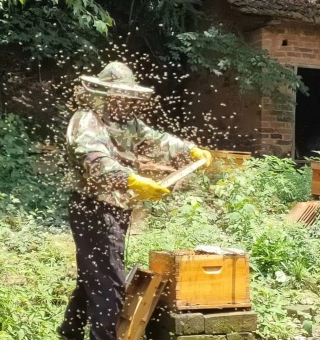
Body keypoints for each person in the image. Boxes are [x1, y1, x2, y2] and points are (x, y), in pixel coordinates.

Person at [58, 62, 212, 340]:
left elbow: (156, 141)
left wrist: (190, 151)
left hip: (115, 209)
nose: (123, 101)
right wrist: (131, 180)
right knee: (110, 285)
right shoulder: (86, 119)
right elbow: (94, 159)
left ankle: (70, 333)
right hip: (92, 208)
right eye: (117, 95)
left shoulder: (128, 123)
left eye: (126, 95)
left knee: (92, 277)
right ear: (103, 94)